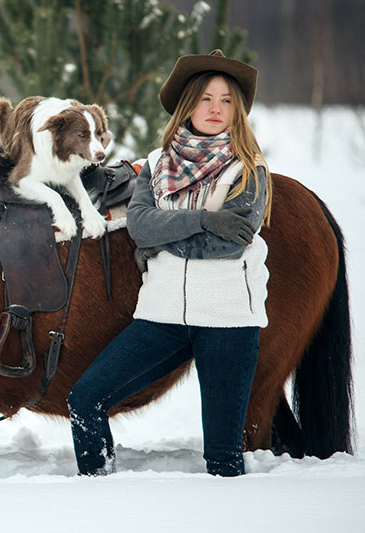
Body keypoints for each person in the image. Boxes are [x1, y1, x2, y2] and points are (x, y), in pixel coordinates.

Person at [67, 49, 272, 477]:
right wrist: (203, 219)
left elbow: (227, 247)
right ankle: (95, 493)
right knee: (85, 399)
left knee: (222, 458)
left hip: (227, 320)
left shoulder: (249, 170)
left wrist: (166, 235)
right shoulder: (158, 165)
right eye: (206, 99)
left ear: (238, 111)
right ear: (187, 105)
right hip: (162, 316)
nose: (216, 109)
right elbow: (140, 227)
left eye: (227, 101)